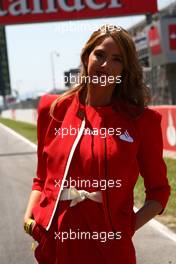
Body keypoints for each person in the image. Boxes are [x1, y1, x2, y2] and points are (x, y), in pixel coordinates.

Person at [23, 24, 170, 264]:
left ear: (124, 69)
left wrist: (124, 230)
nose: (105, 65)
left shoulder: (142, 122)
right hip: (55, 249)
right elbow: (41, 177)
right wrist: (29, 219)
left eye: (116, 59)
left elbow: (159, 192)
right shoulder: (53, 109)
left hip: (111, 254)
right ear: (86, 56)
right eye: (99, 54)